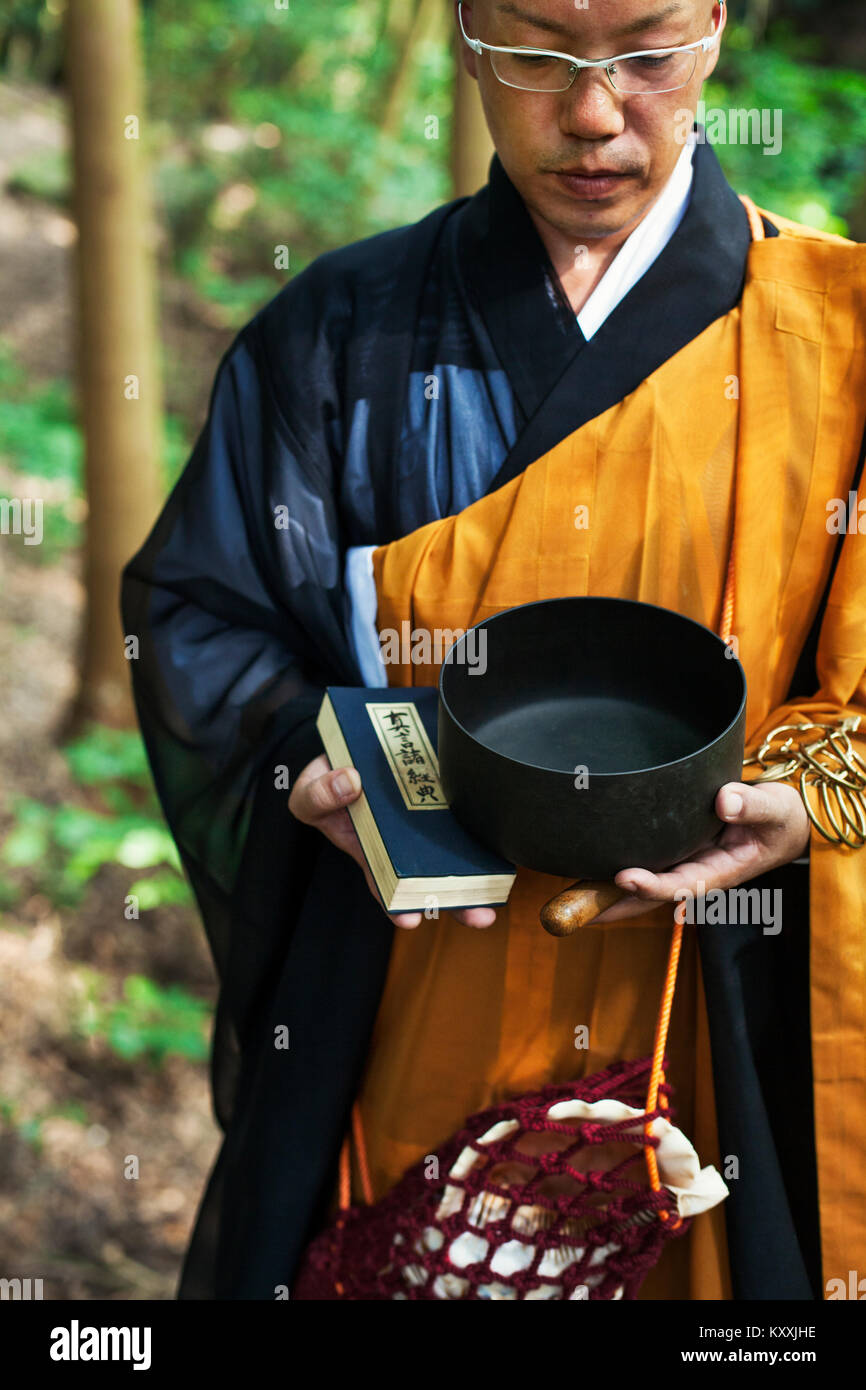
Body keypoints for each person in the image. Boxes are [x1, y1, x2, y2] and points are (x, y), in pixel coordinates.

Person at [121, 0, 866, 1300]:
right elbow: (203, 620)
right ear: (466, 31)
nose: (590, 111)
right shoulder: (337, 337)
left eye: (642, 51)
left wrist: (798, 795)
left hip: (714, 1014)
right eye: (536, 50)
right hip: (406, 994)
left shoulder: (835, 342)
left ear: (713, 26)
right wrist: (305, 762)